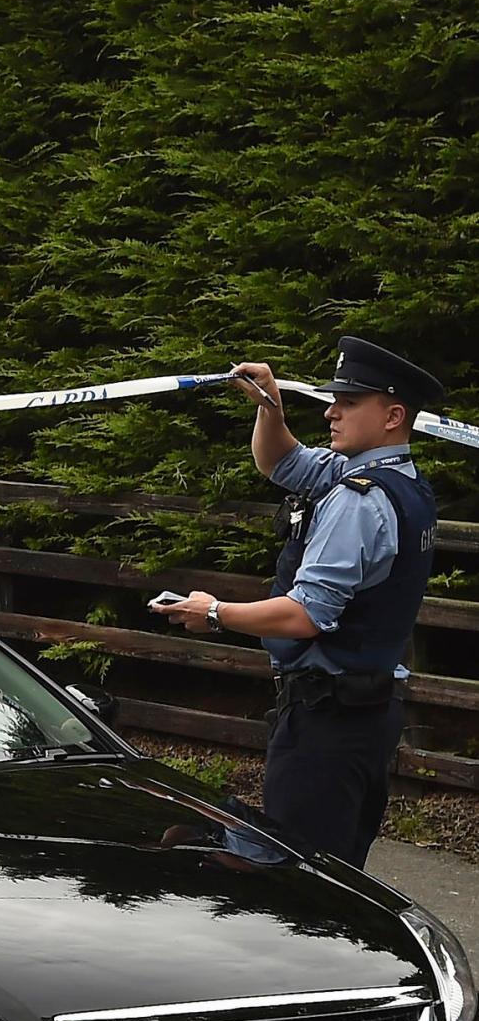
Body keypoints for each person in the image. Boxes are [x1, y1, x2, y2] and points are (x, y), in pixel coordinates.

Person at [151, 335, 443, 868]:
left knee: (299, 885)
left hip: (327, 722)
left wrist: (213, 613)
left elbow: (305, 614)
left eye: (349, 403)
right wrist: (270, 406)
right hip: (363, 714)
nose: (331, 411)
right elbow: (279, 462)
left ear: (393, 415)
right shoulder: (398, 481)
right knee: (336, 872)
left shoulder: (360, 501)